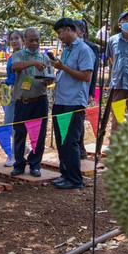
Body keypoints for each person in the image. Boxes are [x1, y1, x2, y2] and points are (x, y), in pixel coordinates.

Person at [49, 18, 95, 189]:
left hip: (74, 101)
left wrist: (63, 68)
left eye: (60, 33)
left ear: (68, 29)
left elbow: (86, 76)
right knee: (61, 141)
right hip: (61, 100)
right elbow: (64, 72)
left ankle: (75, 179)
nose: (59, 37)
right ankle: (65, 174)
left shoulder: (84, 50)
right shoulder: (67, 49)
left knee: (70, 141)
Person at [9, 27, 53, 177]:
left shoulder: (44, 57)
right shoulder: (18, 55)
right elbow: (15, 66)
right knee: (19, 133)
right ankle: (19, 164)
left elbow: (50, 76)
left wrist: (48, 80)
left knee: (39, 135)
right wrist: (33, 63)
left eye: (37, 40)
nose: (34, 43)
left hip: (40, 101)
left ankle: (35, 164)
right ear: (25, 40)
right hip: (22, 101)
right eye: (31, 40)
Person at [75, 20, 100, 159]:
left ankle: (81, 148)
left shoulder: (90, 47)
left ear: (82, 31)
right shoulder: (69, 46)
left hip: (84, 88)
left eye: (74, 30)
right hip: (71, 90)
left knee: (79, 120)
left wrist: (91, 91)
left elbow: (94, 72)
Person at [1, 29, 24, 166]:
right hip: (10, 94)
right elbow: (11, 76)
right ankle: (24, 148)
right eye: (11, 39)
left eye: (17, 38)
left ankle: (14, 155)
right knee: (8, 123)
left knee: (16, 126)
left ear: (23, 40)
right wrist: (4, 82)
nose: (14, 41)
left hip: (21, 94)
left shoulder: (24, 56)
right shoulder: (11, 56)